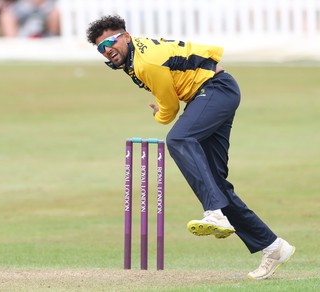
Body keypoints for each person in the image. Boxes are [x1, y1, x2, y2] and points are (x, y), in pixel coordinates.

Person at [86, 15, 295, 280]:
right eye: (101, 48)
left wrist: (159, 115)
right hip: (211, 95)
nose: (107, 50)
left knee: (178, 139)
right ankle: (274, 247)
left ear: (126, 36)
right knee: (217, 185)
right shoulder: (135, 57)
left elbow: (170, 109)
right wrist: (164, 106)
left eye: (111, 42)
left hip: (215, 90)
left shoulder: (144, 61)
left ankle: (214, 213)